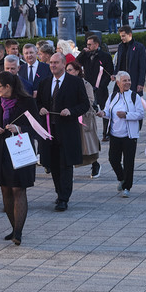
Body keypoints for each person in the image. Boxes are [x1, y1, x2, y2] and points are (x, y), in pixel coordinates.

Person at [0, 72, 37, 246]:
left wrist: (19, 128)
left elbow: (37, 127)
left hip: (20, 149)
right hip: (1, 150)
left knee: (18, 189)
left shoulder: (27, 102)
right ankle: (14, 228)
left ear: (9, 87)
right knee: (5, 190)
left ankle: (19, 233)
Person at [37, 52, 90, 211]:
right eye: (51, 63)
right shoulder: (44, 83)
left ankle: (64, 197)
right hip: (49, 131)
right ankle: (59, 192)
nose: (52, 65)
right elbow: (38, 102)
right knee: (53, 164)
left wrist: (71, 111)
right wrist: (41, 109)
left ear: (63, 64)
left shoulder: (75, 82)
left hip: (67, 131)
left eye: (56, 63)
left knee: (65, 164)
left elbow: (84, 104)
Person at [98, 72, 145, 198]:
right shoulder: (113, 95)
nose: (128, 83)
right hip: (114, 134)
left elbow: (141, 114)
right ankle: (122, 178)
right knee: (113, 159)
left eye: (129, 80)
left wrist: (127, 115)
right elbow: (108, 111)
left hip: (129, 136)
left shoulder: (135, 96)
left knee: (129, 162)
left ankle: (127, 187)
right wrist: (102, 113)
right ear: (118, 83)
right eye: (124, 81)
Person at [66, 61, 101, 179]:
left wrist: (77, 108)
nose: (68, 72)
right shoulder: (65, 84)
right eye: (67, 70)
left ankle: (95, 164)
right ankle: (69, 170)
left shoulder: (86, 84)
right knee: (71, 145)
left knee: (88, 145)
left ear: (77, 71)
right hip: (70, 118)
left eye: (70, 70)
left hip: (84, 118)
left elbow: (90, 101)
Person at [75, 35, 114, 139]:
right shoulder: (86, 55)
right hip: (88, 88)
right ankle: (89, 133)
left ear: (96, 45)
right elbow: (76, 63)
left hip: (101, 88)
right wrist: (83, 52)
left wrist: (102, 85)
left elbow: (109, 72)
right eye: (87, 44)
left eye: (89, 44)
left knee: (104, 110)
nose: (87, 46)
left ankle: (106, 133)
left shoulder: (105, 56)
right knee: (89, 110)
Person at [113, 26, 146, 94]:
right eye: (121, 36)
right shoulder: (120, 46)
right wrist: (114, 74)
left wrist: (141, 83)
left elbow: (143, 67)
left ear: (130, 35)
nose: (121, 38)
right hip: (121, 82)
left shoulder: (139, 47)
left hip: (133, 81)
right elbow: (118, 63)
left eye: (123, 36)